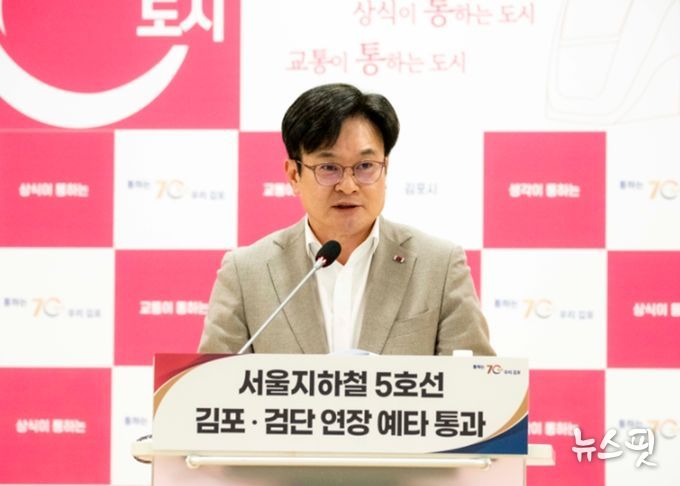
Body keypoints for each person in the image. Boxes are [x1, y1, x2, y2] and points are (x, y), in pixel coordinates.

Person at [199, 83, 494, 356]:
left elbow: (474, 386)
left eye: (365, 166)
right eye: (329, 168)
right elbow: (210, 386)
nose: (348, 186)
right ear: (293, 175)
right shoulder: (246, 273)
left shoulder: (439, 267)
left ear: (385, 168)